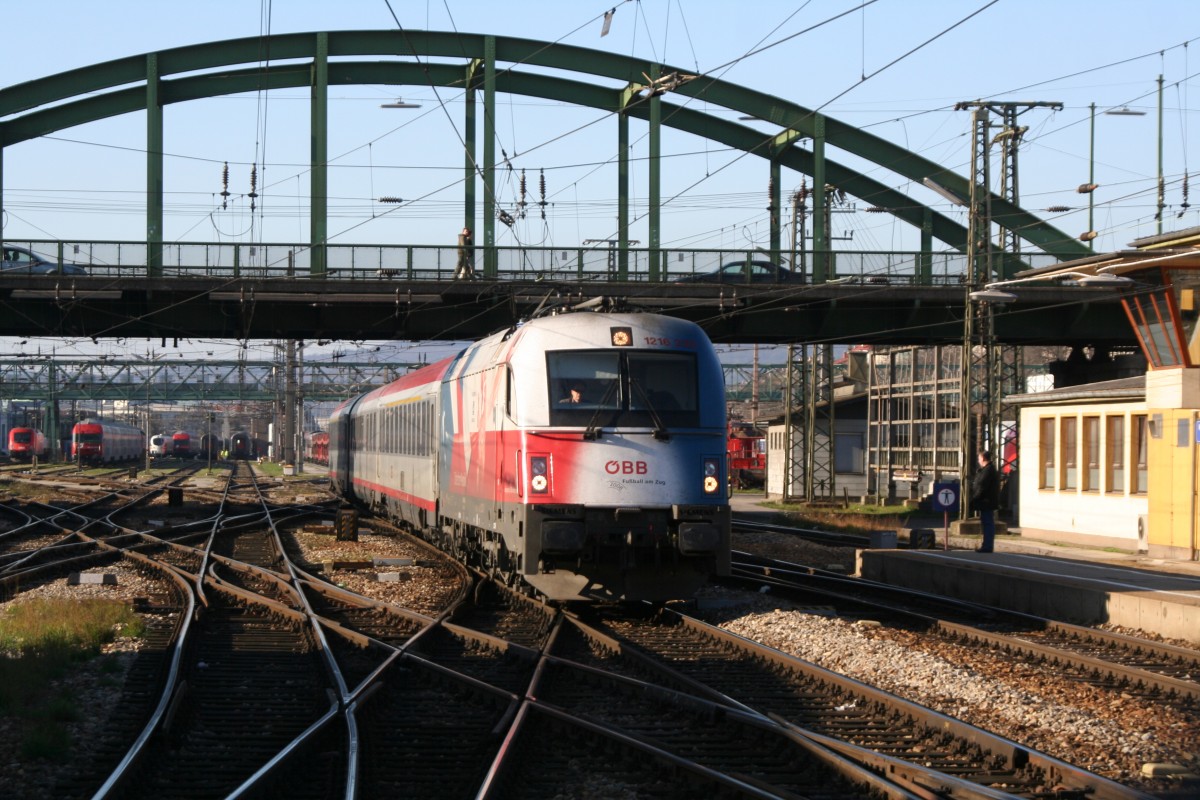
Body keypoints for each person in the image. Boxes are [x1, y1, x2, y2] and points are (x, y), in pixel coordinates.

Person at [971, 450, 999, 552]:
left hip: (987, 502)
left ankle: (987, 546)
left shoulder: (988, 471)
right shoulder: (986, 470)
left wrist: (975, 498)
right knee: (986, 523)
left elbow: (982, 486)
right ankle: (986, 545)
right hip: (985, 501)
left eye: (979, 458)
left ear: (983, 458)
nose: (978, 460)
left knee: (988, 524)